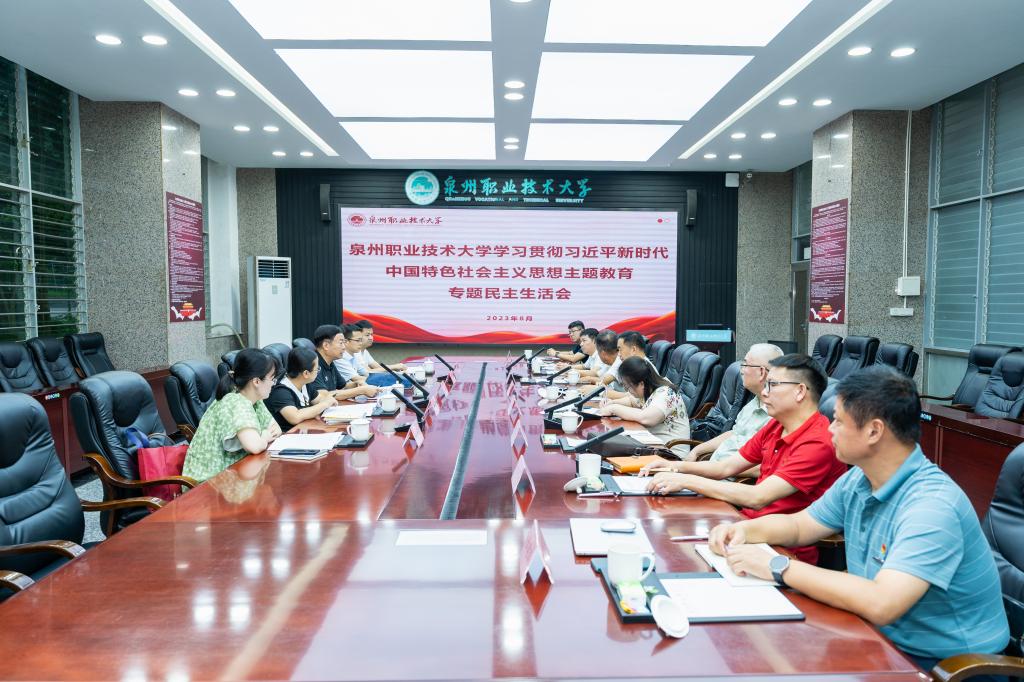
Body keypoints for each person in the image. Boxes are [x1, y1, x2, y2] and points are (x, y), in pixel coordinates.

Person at [706, 366, 1009, 670]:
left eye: (838, 421)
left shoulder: (932, 506)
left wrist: (777, 566)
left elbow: (882, 602)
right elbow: (799, 526)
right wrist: (744, 530)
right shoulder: (859, 479)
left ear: (874, 431)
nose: (829, 429)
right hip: (875, 636)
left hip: (941, 663)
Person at [645, 354, 846, 564]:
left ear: (800, 391)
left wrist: (685, 480)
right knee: (663, 537)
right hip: (744, 528)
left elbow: (758, 497)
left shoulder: (817, 442)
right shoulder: (776, 425)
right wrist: (674, 466)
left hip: (781, 551)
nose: (764, 392)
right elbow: (725, 468)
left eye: (773, 385)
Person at [640, 343, 782, 468]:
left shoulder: (778, 415)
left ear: (761, 372)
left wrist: (696, 469)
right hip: (712, 470)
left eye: (745, 364)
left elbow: (766, 467)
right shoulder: (754, 402)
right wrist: (697, 451)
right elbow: (735, 433)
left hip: (725, 480)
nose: (741, 370)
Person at [182, 348, 282, 482]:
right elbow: (254, 446)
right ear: (256, 381)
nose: (273, 384)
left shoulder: (254, 399)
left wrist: (262, 438)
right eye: (272, 379)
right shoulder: (235, 401)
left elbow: (276, 430)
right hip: (209, 483)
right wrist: (264, 436)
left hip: (236, 473)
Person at [596, 355, 690, 457]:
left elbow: (646, 418)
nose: (628, 391)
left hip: (670, 455)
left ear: (641, 384)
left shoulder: (665, 393)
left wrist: (614, 409)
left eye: (628, 387)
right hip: (654, 447)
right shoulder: (649, 388)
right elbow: (631, 401)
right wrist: (612, 403)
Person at [265, 347, 338, 431]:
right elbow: (295, 417)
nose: (318, 372)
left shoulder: (304, 383)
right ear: (306, 373)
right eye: (317, 369)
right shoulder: (280, 391)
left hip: (305, 429)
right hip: (288, 435)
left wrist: (321, 406)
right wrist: (324, 405)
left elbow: (319, 399)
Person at [307, 324, 378, 401]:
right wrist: (361, 390)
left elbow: (343, 386)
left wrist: (357, 383)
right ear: (326, 345)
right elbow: (323, 395)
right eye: (341, 343)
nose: (344, 347)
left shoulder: (330, 361)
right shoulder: (313, 364)